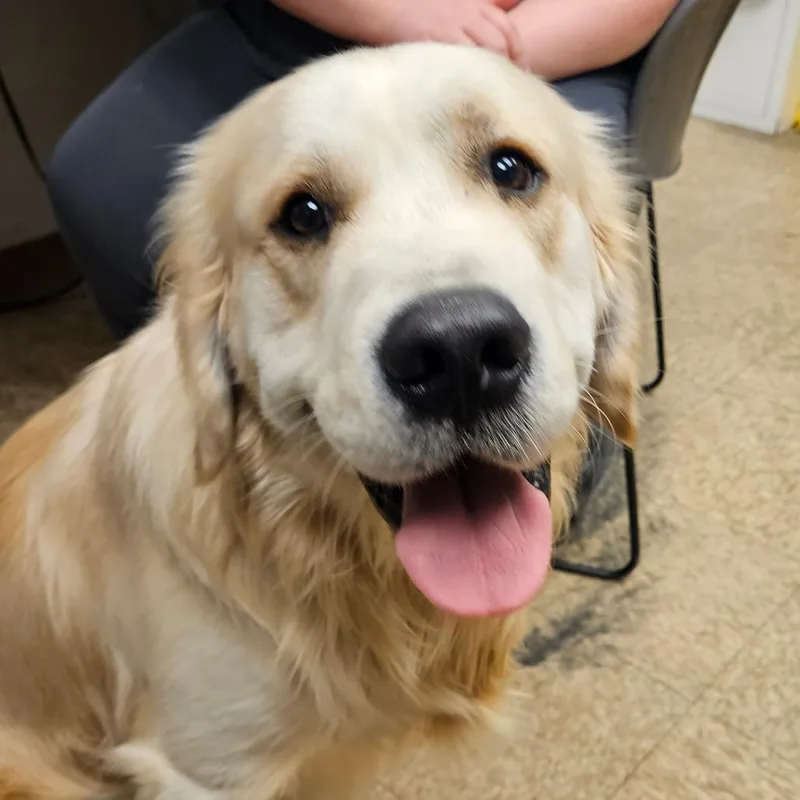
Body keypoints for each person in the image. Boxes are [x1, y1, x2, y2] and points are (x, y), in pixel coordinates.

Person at [48, 0, 679, 341]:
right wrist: (390, 14)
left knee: (563, 221)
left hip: (547, 42)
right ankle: (226, 408)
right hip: (300, 25)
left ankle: (570, 434)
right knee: (99, 182)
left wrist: (487, 59)